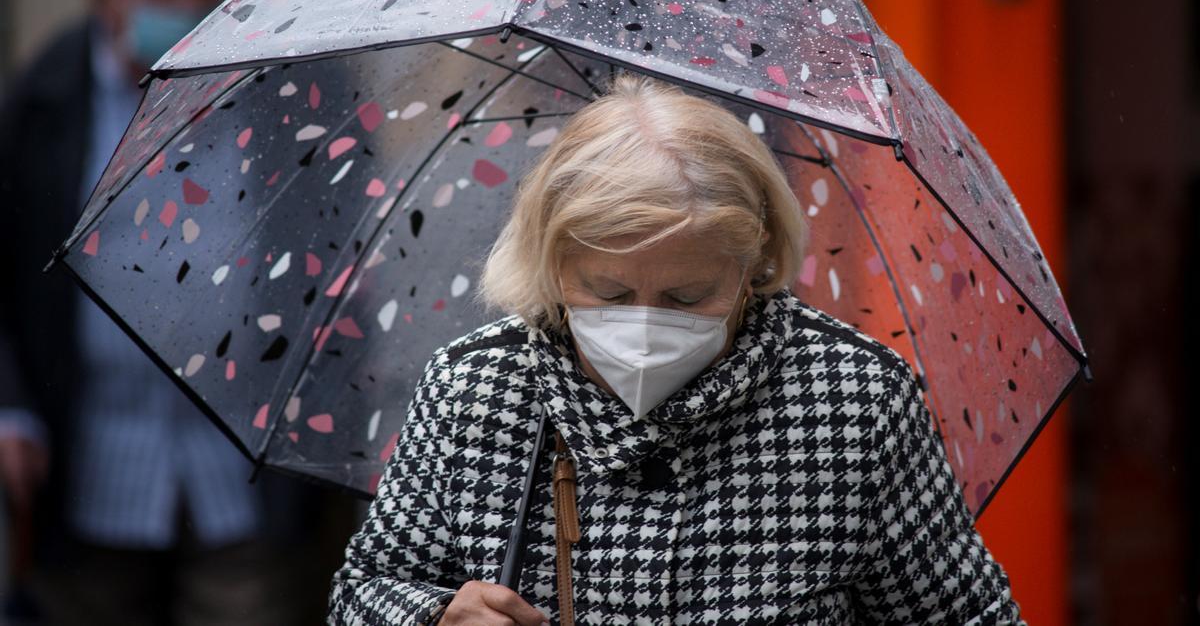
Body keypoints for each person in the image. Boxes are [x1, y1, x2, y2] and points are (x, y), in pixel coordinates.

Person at [326, 73, 1023, 624]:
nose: (646, 324)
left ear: (753, 267)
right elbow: (362, 594)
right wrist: (436, 617)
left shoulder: (854, 400)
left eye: (688, 297)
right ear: (552, 262)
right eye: (608, 290)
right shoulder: (477, 387)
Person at [0, 0, 346, 624]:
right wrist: (8, 408)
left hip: (244, 476)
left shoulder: (288, 81)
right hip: (88, 471)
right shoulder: (42, 94)